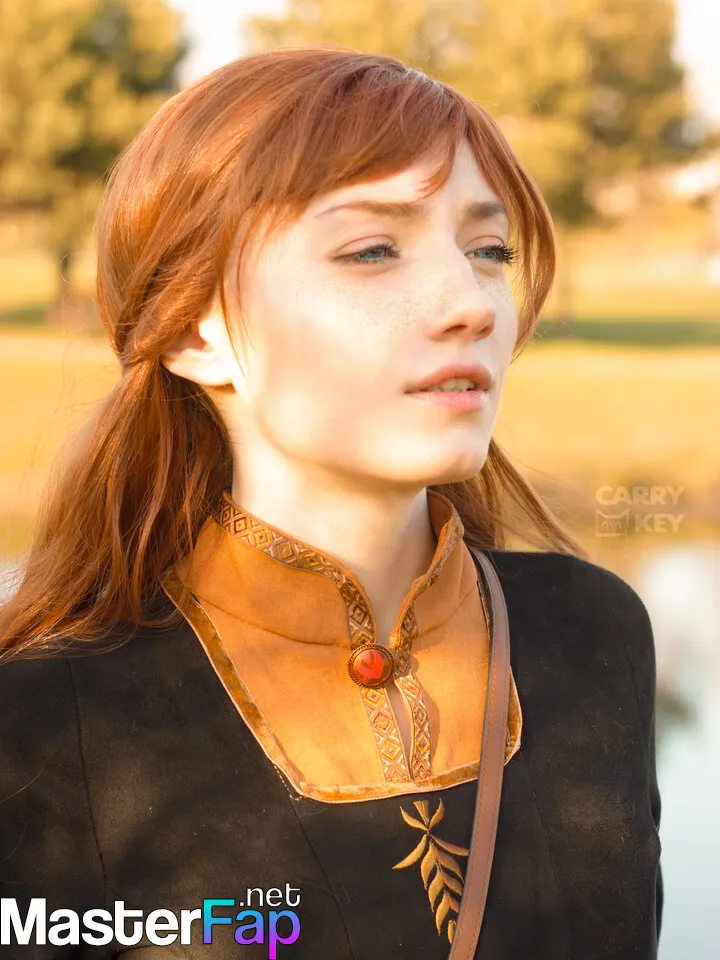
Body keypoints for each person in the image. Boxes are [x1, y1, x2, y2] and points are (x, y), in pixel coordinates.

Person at [0, 47, 661, 959]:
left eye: (488, 250)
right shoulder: (45, 718)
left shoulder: (591, 633)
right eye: (372, 250)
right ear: (194, 331)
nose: (469, 303)